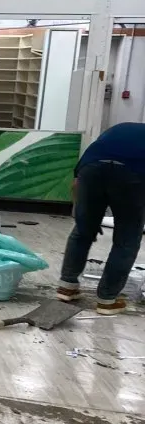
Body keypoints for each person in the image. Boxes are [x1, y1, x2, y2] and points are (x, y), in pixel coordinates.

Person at [57, 122, 145, 314]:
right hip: (132, 174)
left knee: (82, 231)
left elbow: (76, 183)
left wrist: (82, 216)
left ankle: (66, 287)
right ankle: (107, 299)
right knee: (127, 239)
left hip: (91, 169)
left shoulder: (119, 129)